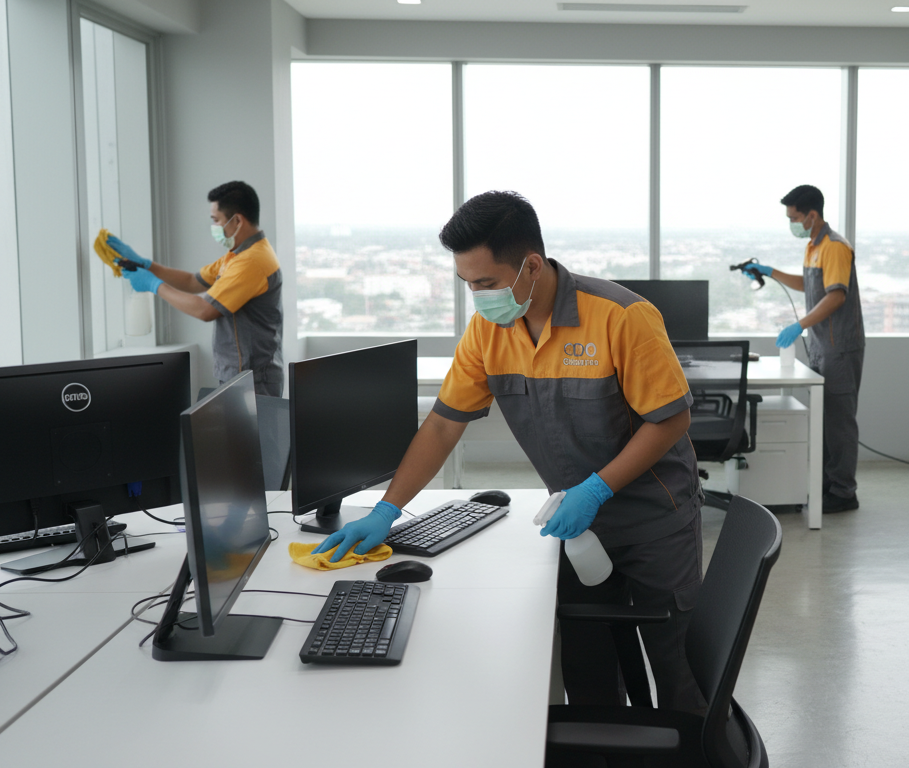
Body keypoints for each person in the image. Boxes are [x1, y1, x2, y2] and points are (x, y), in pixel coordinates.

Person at [314, 191, 708, 713]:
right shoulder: (487, 331)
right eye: (467, 285)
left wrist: (597, 487)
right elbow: (441, 426)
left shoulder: (620, 316)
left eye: (486, 283)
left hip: (655, 521)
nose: (478, 297)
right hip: (577, 528)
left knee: (677, 669)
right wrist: (388, 510)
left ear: (531, 266)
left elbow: (671, 418)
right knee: (587, 668)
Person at [739, 184, 866, 513]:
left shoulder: (835, 247)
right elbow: (807, 284)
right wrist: (770, 272)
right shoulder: (813, 246)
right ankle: (824, 484)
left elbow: (836, 295)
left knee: (839, 422)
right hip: (822, 345)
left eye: (794, 217)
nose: (792, 223)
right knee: (826, 421)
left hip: (839, 347)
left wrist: (800, 325)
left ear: (812, 215)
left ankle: (844, 492)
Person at [109, 181, 284, 396]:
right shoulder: (237, 255)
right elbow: (193, 281)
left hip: (254, 379)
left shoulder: (251, 261)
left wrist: (153, 285)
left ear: (237, 220)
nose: (214, 227)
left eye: (216, 220)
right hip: (240, 374)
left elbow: (205, 310)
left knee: (254, 431)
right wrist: (148, 265)